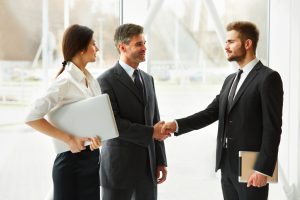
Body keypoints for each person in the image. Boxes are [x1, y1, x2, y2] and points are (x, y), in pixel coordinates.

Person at [162, 21, 283, 200]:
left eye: (231, 42)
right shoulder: (230, 80)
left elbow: (272, 128)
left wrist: (262, 169)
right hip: (227, 166)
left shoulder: (268, 78)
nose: (225, 47)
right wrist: (177, 125)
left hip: (252, 168)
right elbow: (209, 113)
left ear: (247, 44)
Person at [25, 24, 102, 200]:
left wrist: (96, 138)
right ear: (81, 49)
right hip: (71, 165)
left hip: (91, 162)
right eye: (93, 44)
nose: (97, 48)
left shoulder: (90, 80)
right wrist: (69, 139)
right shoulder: (65, 82)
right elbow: (31, 116)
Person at [97, 23, 168, 200]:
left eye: (145, 43)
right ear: (122, 47)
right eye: (139, 44)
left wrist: (160, 160)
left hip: (148, 169)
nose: (144, 48)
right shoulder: (105, 81)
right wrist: (151, 132)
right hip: (118, 171)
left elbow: (155, 120)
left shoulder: (148, 79)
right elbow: (113, 123)